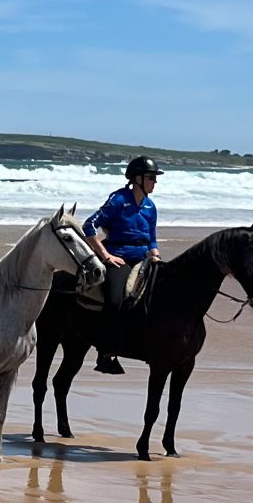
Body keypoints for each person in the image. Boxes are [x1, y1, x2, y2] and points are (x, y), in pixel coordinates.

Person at [88, 155, 160, 375]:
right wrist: (106, 255)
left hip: (144, 258)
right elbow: (89, 226)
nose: (154, 182)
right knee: (114, 300)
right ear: (137, 178)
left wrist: (155, 256)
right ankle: (106, 353)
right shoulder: (118, 200)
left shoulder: (150, 206)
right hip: (118, 256)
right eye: (150, 177)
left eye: (155, 178)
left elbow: (152, 239)